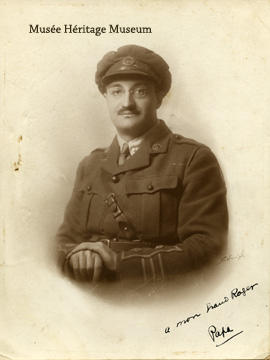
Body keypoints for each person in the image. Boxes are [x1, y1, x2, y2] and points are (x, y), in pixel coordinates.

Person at [56, 44, 228, 284]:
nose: (127, 103)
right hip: (87, 296)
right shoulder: (90, 165)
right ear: (105, 97)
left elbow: (207, 246)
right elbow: (64, 241)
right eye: (116, 91)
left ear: (158, 98)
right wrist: (77, 256)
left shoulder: (193, 159)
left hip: (158, 298)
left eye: (140, 92)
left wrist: (120, 264)